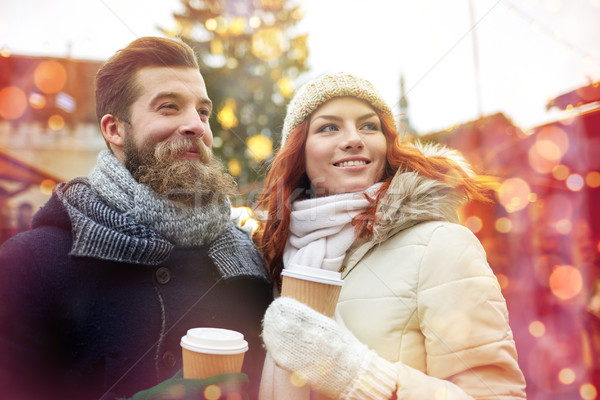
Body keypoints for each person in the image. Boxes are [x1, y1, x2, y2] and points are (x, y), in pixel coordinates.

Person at [0, 37, 272, 400]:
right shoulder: (30, 262)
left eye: (203, 112)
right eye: (169, 107)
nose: (196, 125)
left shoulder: (248, 262)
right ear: (114, 130)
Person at [256, 72, 527, 399]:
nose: (354, 139)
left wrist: (361, 375)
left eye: (369, 126)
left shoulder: (441, 245)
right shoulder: (276, 258)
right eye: (329, 127)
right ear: (299, 151)